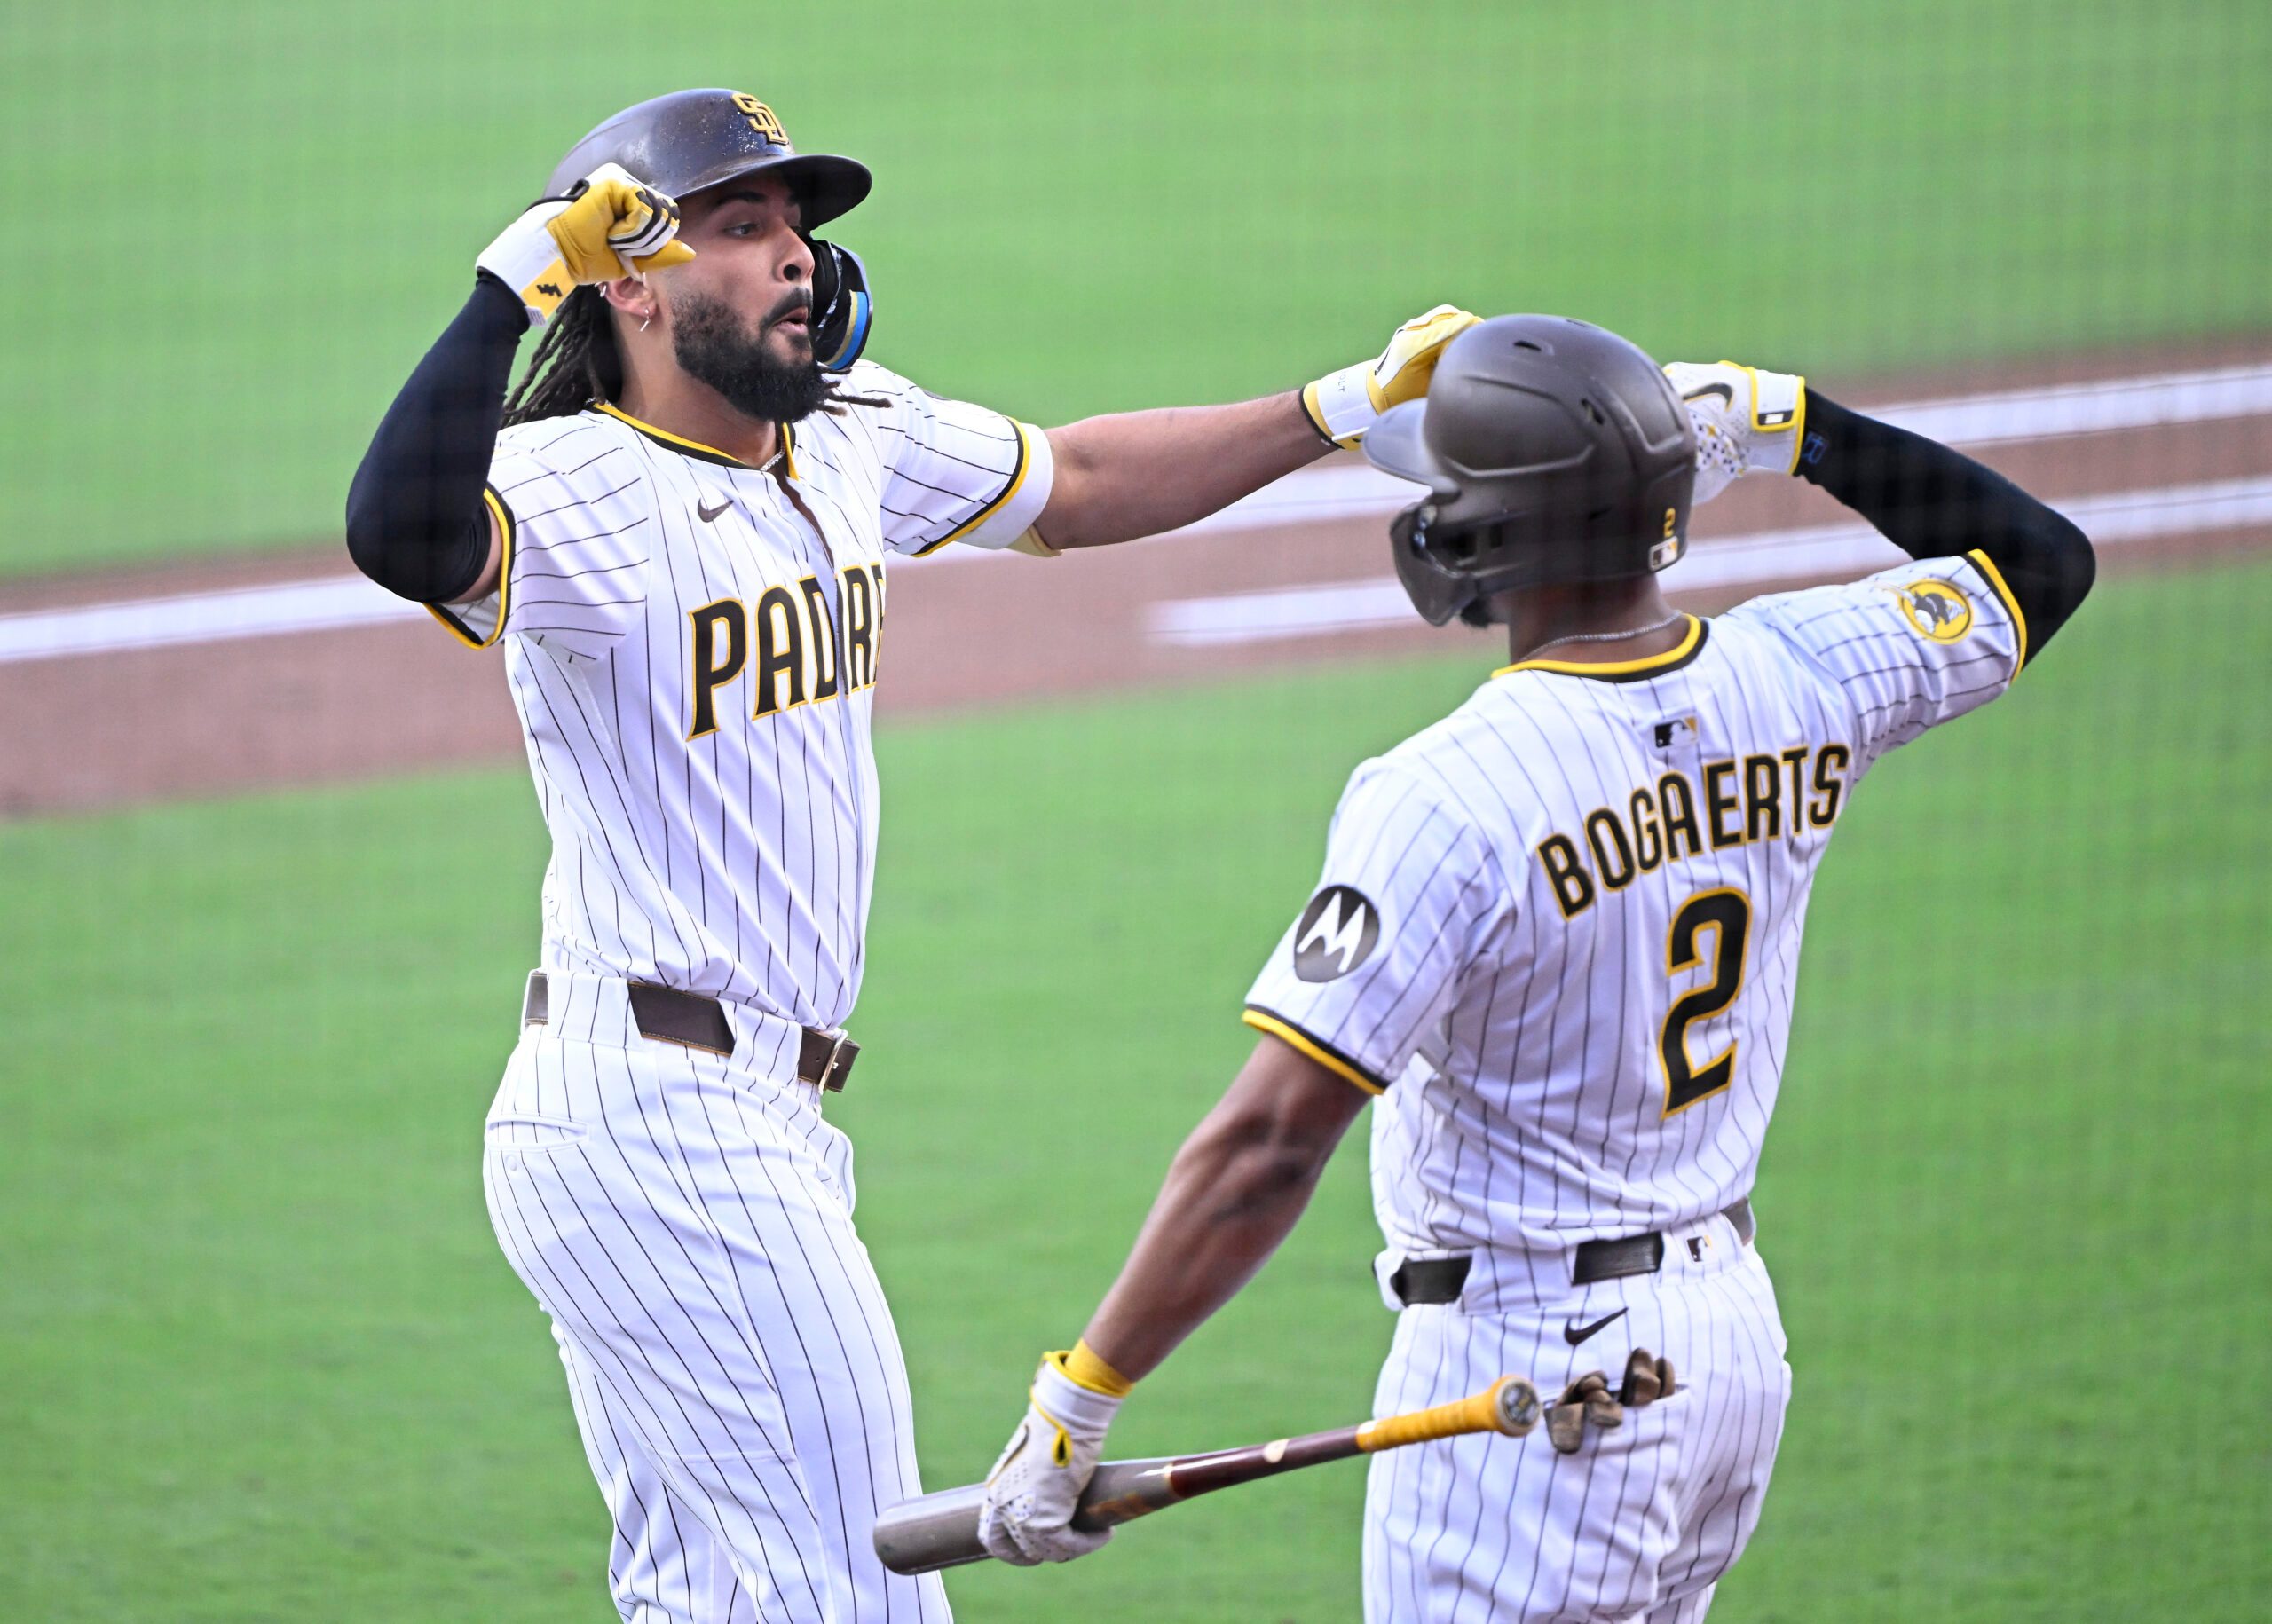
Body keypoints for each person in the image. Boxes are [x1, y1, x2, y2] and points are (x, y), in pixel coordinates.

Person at [341, 86, 1477, 1624]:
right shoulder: (572, 485)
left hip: (746, 1117)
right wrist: (515, 270)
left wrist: (1336, 410)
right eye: (743, 227)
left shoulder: (852, 437)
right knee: (860, 1593)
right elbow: (398, 533)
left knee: (719, 1598)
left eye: (800, 225)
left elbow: (1074, 487)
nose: (796, 257)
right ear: (632, 277)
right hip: (663, 1121)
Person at [975, 315, 2094, 1621]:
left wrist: (1080, 1397)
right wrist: (1797, 423)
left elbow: (1271, 1141)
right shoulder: (1801, 673)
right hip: (1726, 1345)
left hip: (1532, 1383)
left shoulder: (1450, 794)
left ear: (1487, 532)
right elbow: (2040, 562)